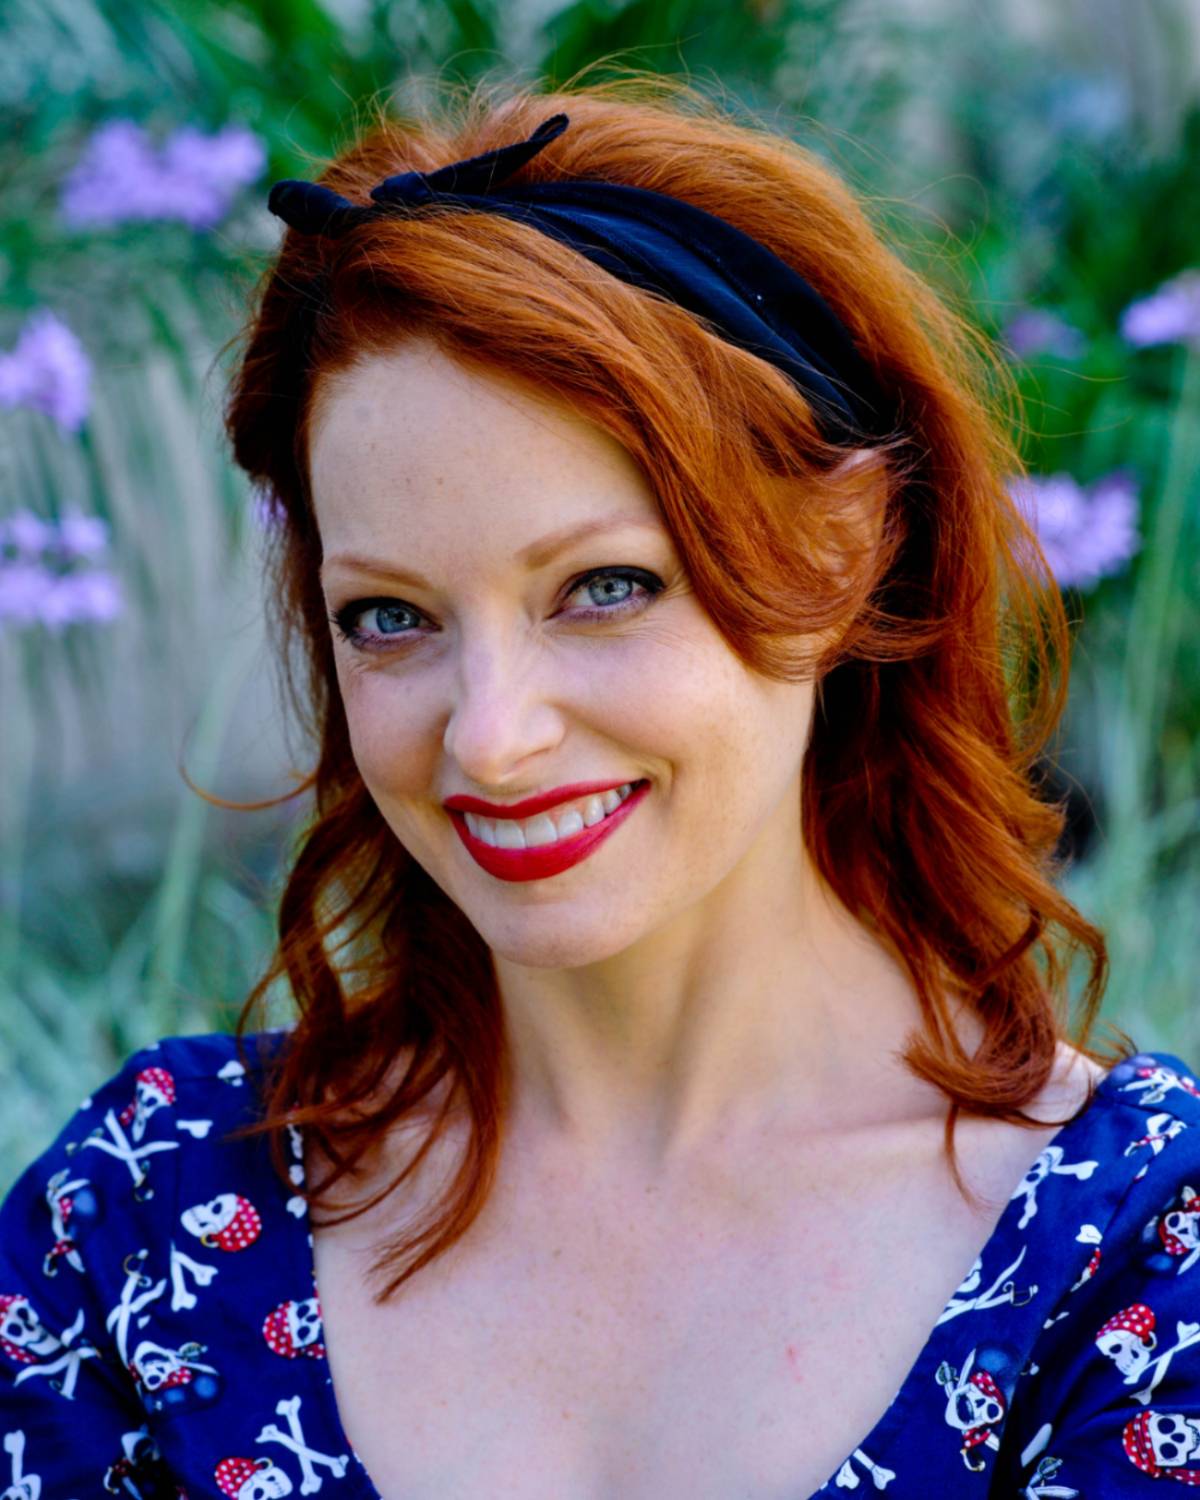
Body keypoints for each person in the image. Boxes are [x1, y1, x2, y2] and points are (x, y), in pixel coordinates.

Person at [1, 74, 1198, 1500]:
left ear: (843, 555)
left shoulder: (1131, 1259)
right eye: (392, 616)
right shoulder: (146, 1217)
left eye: (603, 589)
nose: (490, 738)